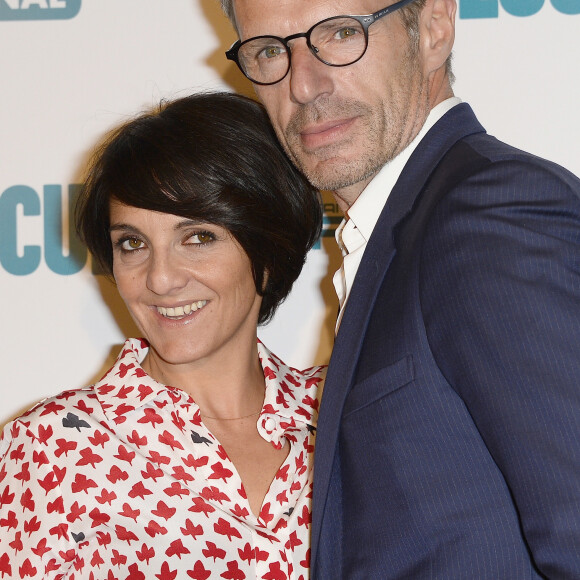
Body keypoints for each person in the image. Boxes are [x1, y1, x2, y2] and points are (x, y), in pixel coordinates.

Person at [219, 0, 580, 577]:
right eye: (269, 51)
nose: (304, 86)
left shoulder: (486, 216)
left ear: (434, 26)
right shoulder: (402, 237)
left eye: (339, 34)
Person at [0, 91, 325, 579]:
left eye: (198, 238)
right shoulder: (53, 447)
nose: (160, 279)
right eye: (132, 244)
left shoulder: (342, 414)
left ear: (268, 248)